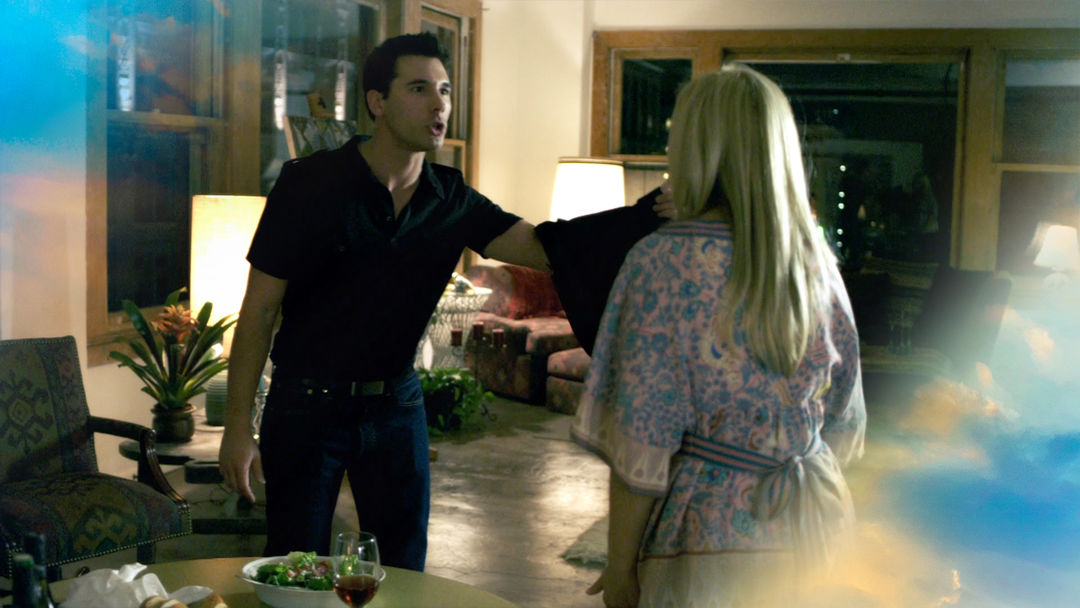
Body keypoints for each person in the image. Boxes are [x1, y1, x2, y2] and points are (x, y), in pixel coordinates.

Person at [217, 33, 552, 571]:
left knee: (402, 573)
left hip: (396, 407)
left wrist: (646, 222)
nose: (439, 104)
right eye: (420, 89)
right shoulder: (308, 184)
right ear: (378, 101)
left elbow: (544, 247)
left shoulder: (451, 199)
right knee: (294, 570)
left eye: (444, 90)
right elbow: (258, 311)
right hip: (305, 407)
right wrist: (237, 426)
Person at [570, 65, 867, 607]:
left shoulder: (660, 263)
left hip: (707, 545)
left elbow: (642, 440)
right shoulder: (816, 263)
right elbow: (845, 418)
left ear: (693, 147)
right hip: (820, 529)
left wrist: (620, 566)